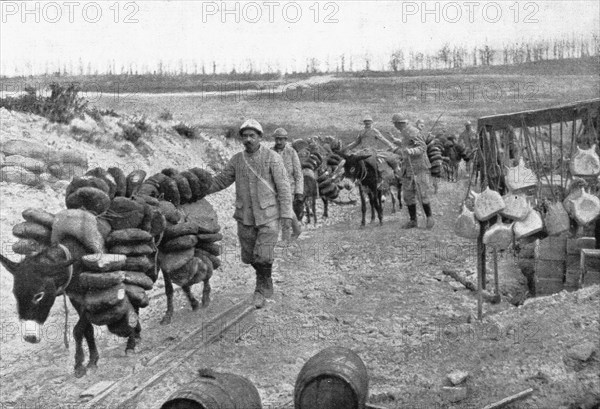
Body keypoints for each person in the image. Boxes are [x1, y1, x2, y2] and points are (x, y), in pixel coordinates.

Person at [207, 119, 293, 309]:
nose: (248, 139)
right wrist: (200, 189)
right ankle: (266, 277)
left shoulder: (272, 158)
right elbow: (221, 181)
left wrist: (286, 214)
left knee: (262, 255)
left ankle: (261, 288)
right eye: (245, 136)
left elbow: (284, 188)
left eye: (252, 136)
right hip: (245, 217)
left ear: (260, 137)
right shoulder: (237, 160)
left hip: (269, 216)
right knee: (249, 257)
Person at [380, 114, 435, 229]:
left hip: (419, 168)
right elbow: (406, 143)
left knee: (422, 193)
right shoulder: (404, 132)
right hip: (407, 169)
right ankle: (413, 220)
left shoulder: (413, 131)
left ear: (399, 123)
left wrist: (411, 151)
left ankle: (429, 218)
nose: (395, 126)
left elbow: (422, 147)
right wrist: (396, 142)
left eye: (395, 124)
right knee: (408, 195)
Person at [271, 127, 304, 241]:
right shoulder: (270, 152)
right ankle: (297, 230)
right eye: (277, 139)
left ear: (286, 140)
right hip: (274, 189)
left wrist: (299, 191)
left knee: (286, 213)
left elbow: (298, 173)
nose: (279, 142)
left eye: (281, 139)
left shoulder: (292, 152)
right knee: (288, 210)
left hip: (289, 188)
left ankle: (285, 241)